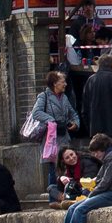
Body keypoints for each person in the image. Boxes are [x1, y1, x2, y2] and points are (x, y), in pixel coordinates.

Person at [28, 71, 80, 203]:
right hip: (51, 138)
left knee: (65, 165)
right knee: (54, 167)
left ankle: (66, 194)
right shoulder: (44, 96)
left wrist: (75, 123)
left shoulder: (64, 97)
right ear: (55, 83)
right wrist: (52, 121)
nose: (65, 84)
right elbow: (36, 113)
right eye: (63, 82)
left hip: (64, 136)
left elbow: (72, 113)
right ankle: (53, 199)